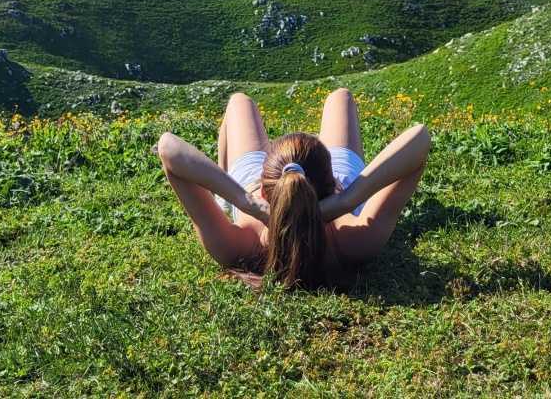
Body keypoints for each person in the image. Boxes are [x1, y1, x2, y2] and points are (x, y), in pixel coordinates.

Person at [155, 88, 430, 289]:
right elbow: (419, 139)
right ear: (332, 182)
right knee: (340, 97)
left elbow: (168, 147)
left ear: (264, 192)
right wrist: (348, 199)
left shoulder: (241, 244)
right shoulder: (355, 238)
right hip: (339, 188)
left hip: (244, 186)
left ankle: (226, 195)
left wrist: (244, 201)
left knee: (239, 102)